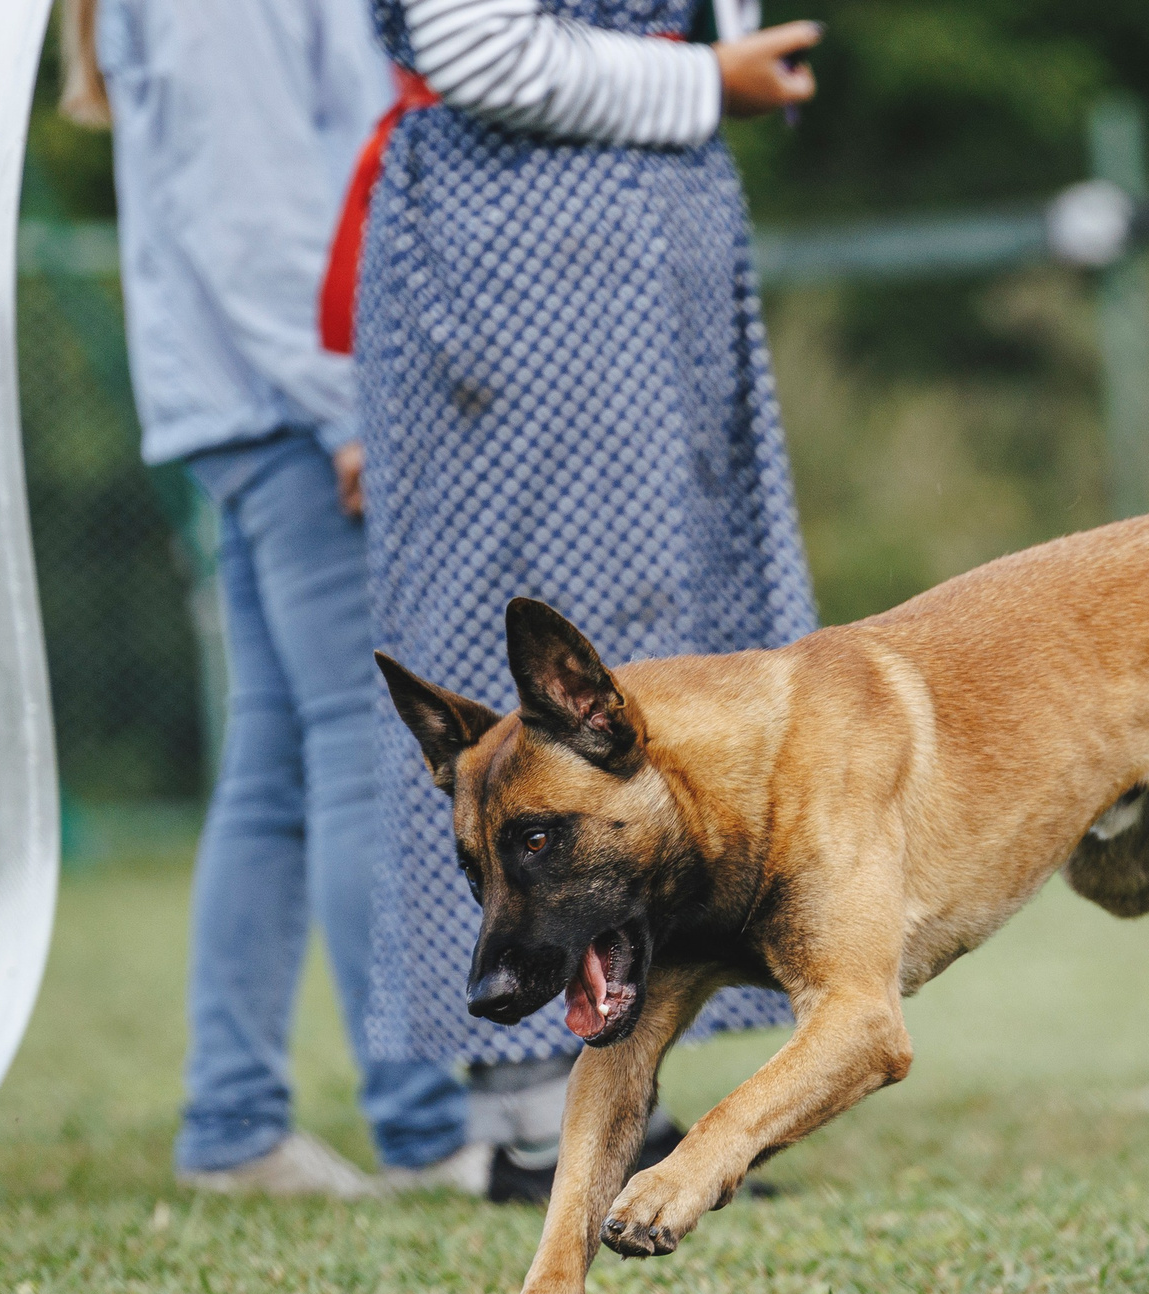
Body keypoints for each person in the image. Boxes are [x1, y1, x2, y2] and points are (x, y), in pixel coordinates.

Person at [348, 0, 826, 1172]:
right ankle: (524, 1104)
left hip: (619, 252)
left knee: (648, 652)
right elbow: (472, 42)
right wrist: (705, 83)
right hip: (523, 255)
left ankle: (623, 1074)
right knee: (511, 656)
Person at [63, 0, 481, 1196]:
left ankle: (235, 1121)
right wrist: (344, 399)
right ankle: (419, 1125)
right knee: (368, 751)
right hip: (290, 406)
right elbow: (247, 210)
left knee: (276, 768)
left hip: (251, 400)